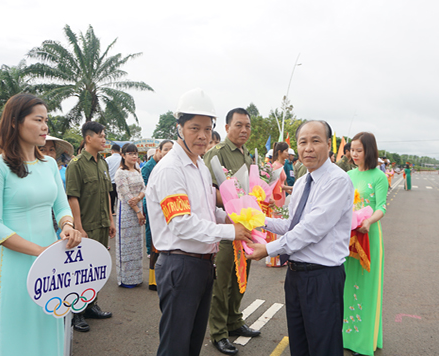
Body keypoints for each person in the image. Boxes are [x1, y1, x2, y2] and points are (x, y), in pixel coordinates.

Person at [146, 88, 252, 356]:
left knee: (192, 345)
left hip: (202, 264)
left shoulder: (200, 166)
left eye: (207, 128)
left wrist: (230, 217)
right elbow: (182, 224)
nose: (203, 136)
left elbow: (206, 212)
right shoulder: (172, 169)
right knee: (175, 345)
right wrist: (231, 230)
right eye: (194, 128)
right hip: (180, 264)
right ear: (179, 127)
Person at [0, 93, 82, 355]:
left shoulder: (48, 164)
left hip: (51, 261)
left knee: (49, 326)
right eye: (38, 119)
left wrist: (67, 225)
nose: (45, 126)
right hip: (15, 265)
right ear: (15, 122)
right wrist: (39, 251)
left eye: (46, 120)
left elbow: (61, 206)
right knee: (17, 333)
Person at [247, 120, 354, 356]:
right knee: (299, 344)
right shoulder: (304, 181)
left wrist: (267, 249)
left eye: (315, 141)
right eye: (302, 142)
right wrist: (255, 219)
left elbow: (310, 230)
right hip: (296, 276)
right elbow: (292, 224)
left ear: (329, 144)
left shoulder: (337, 181)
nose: (308, 148)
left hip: (322, 277)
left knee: (323, 347)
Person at [204, 107, 261, 355]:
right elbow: (208, 191)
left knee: (241, 278)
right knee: (223, 283)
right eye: (239, 125)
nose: (244, 130)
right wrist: (231, 202)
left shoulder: (248, 157)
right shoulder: (216, 155)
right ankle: (218, 333)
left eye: (247, 126)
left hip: (246, 229)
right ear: (227, 128)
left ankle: (234, 321)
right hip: (227, 229)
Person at [66, 121, 115, 332]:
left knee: (96, 268)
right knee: (80, 269)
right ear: (88, 138)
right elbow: (72, 197)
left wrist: (111, 220)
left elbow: (106, 193)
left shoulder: (102, 163)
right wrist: (79, 226)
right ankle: (76, 313)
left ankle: (91, 306)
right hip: (86, 225)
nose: (104, 139)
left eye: (104, 135)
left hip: (103, 223)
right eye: (100, 135)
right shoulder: (76, 164)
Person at [344, 131, 388, 356]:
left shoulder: (378, 176)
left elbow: (381, 207)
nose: (354, 154)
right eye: (352, 150)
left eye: (359, 150)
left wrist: (369, 221)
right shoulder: (348, 174)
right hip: (349, 236)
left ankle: (364, 341)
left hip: (368, 235)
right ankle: (346, 336)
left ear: (369, 151)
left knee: (367, 287)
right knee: (346, 283)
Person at [141, 140, 173, 291]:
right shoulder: (149, 167)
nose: (168, 152)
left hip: (167, 207)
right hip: (155, 206)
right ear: (158, 151)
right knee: (154, 241)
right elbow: (147, 187)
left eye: (171, 149)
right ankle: (154, 280)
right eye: (165, 149)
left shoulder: (173, 166)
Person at [115, 143, 146, 288]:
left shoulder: (138, 169)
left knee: (137, 244)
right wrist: (138, 211)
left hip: (137, 205)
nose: (134, 156)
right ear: (123, 155)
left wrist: (139, 199)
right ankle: (126, 279)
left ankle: (137, 277)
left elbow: (144, 188)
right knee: (126, 244)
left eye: (135, 153)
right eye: (130, 153)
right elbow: (126, 194)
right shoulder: (121, 172)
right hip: (127, 211)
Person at [272, 141, 292, 206]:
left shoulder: (280, 165)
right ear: (279, 152)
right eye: (286, 151)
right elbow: (278, 185)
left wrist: (288, 190)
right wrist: (292, 187)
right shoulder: (276, 166)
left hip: (281, 195)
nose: (288, 153)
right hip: (277, 196)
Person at [106, 144, 122, 215]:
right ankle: (120, 211)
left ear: (112, 151)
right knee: (120, 198)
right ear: (119, 151)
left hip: (111, 182)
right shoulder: (123, 159)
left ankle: (112, 211)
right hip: (120, 182)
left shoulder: (107, 159)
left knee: (111, 199)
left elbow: (105, 171)